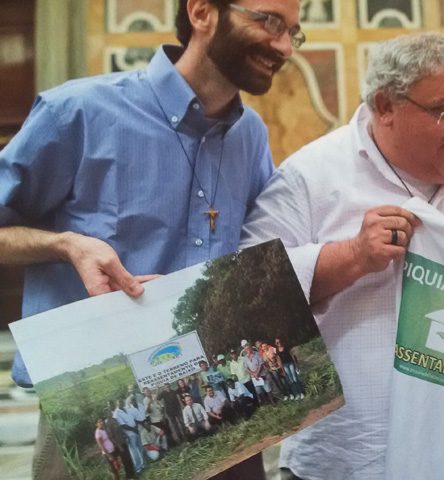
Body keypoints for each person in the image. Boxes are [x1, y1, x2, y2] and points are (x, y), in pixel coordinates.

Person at [0, 0, 303, 478]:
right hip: (99, 412)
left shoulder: (252, 134)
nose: (284, 46)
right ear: (202, 12)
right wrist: (67, 245)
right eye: (269, 22)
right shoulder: (77, 111)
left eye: (292, 31)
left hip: (214, 402)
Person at [240, 32, 444, 480]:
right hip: (349, 454)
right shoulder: (310, 178)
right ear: (385, 106)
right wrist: (351, 256)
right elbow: (249, 297)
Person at [113, 399, 145, 475]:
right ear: (116, 403)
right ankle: (138, 467)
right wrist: (133, 429)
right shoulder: (117, 413)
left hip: (136, 430)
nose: (120, 403)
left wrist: (136, 427)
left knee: (140, 447)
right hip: (129, 434)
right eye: (119, 402)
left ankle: (143, 464)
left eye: (121, 401)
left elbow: (134, 418)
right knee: (134, 451)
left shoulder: (127, 409)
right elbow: (123, 425)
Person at [103, 405, 135, 479]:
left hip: (123, 440)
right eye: (107, 412)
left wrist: (125, 435)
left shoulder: (115, 419)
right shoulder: (108, 423)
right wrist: (119, 446)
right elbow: (111, 437)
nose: (110, 413)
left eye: (110, 411)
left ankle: (132, 473)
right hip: (119, 444)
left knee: (128, 458)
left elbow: (120, 429)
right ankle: (129, 475)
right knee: (125, 460)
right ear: (105, 415)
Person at [243, 341, 275, 406]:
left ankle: (272, 402)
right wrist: (254, 374)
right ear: (245, 350)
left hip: (262, 374)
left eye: (249, 348)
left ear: (251, 348)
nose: (248, 350)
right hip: (254, 377)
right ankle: (265, 403)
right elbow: (246, 368)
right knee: (259, 391)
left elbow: (261, 363)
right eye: (246, 349)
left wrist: (257, 373)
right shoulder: (245, 358)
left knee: (267, 389)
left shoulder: (257, 354)